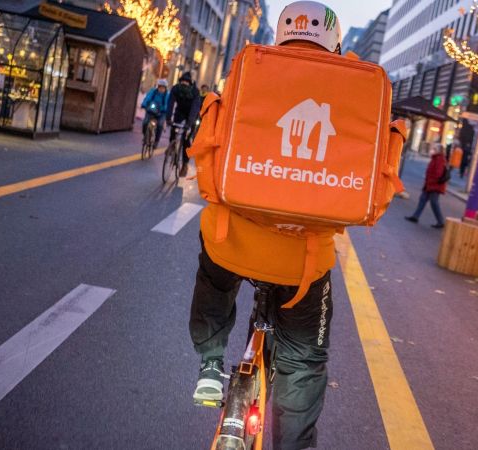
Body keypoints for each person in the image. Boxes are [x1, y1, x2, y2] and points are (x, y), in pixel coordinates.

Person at [188, 2, 344, 448]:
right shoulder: (354, 98)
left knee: (214, 264)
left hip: (234, 241)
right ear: (335, 44)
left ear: (280, 35)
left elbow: (208, 157)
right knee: (303, 362)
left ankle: (212, 364)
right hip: (302, 262)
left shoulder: (246, 75)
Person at [405, 143, 448, 228]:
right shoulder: (435, 158)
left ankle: (441, 221)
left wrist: (430, 181)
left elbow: (438, 174)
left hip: (435, 186)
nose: (432, 150)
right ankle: (415, 216)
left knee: (434, 203)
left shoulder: (440, 159)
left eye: (434, 149)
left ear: (439, 151)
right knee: (423, 199)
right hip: (430, 184)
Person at [168, 71, 201, 177]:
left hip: (191, 114)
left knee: (186, 139)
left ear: (190, 83)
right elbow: (170, 103)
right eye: (182, 81)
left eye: (186, 82)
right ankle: (172, 145)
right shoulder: (175, 89)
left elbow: (195, 108)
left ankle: (185, 164)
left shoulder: (195, 92)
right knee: (174, 127)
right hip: (180, 112)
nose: (184, 83)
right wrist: (168, 118)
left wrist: (189, 124)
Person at [140, 79, 169, 148]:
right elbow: (147, 98)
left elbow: (167, 105)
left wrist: (163, 110)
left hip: (161, 113)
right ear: (158, 87)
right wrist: (144, 105)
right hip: (151, 111)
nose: (161, 89)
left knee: (159, 125)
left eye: (163, 87)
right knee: (145, 122)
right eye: (160, 87)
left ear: (165, 88)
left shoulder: (167, 95)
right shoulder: (153, 92)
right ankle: (145, 136)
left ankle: (156, 141)